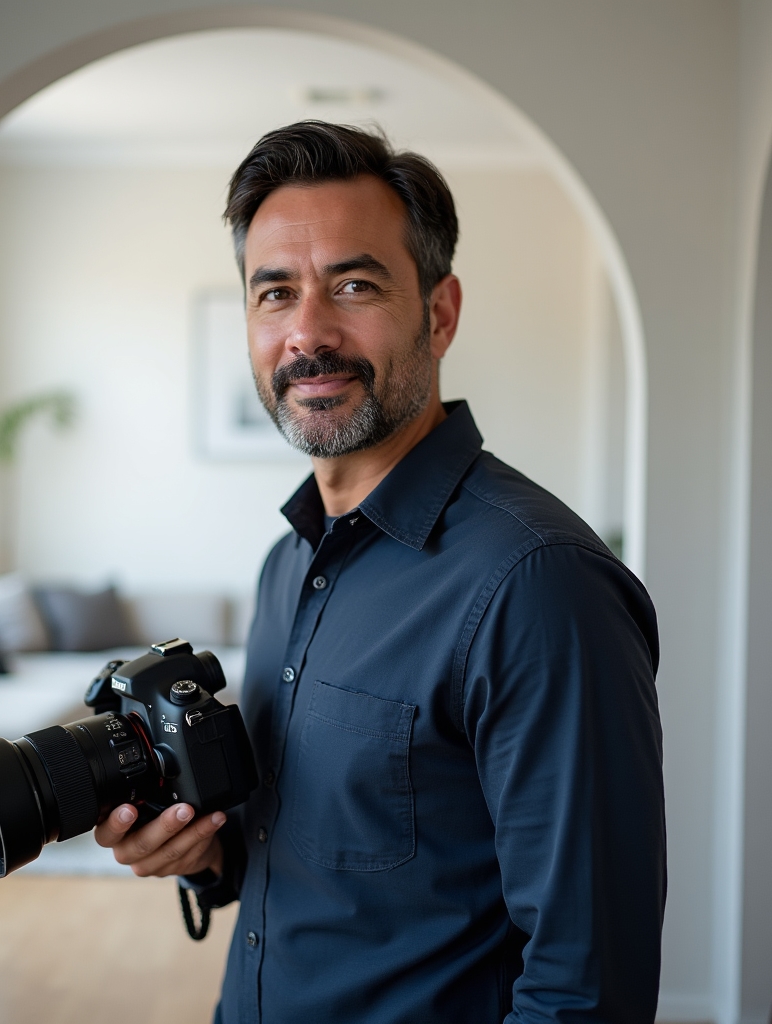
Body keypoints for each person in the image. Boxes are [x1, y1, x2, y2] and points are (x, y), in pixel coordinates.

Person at [95, 122, 666, 1023]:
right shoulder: (288, 563)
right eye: (274, 294)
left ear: (439, 313)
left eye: (353, 285)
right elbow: (312, 846)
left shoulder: (538, 586)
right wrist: (207, 855)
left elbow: (586, 982)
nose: (307, 334)